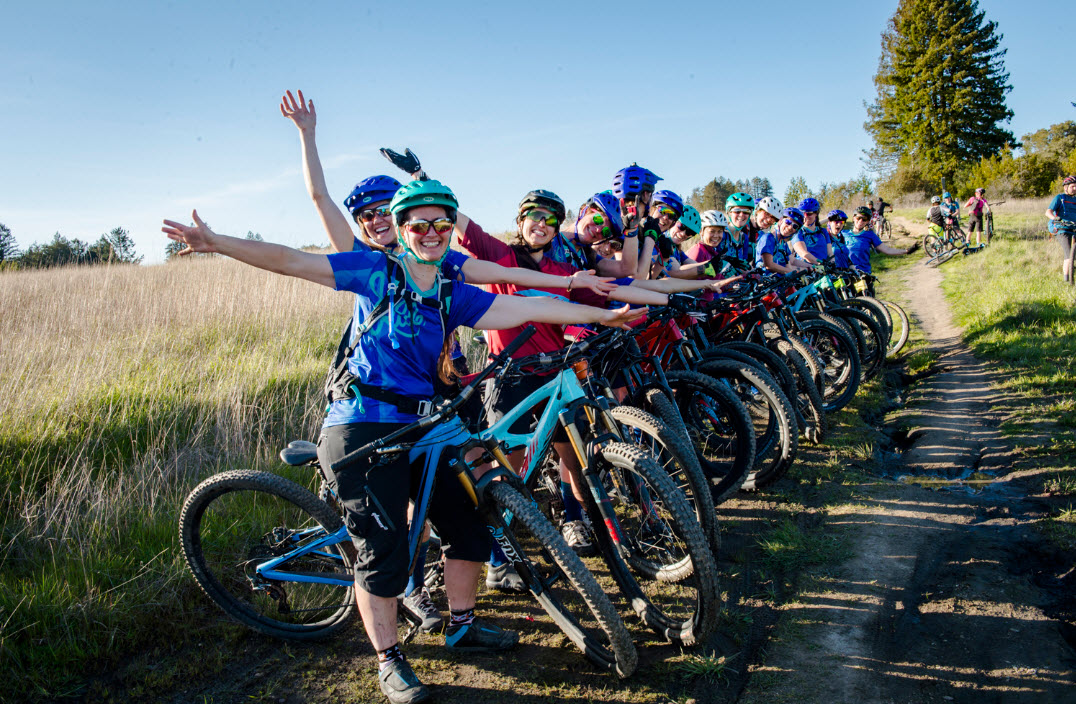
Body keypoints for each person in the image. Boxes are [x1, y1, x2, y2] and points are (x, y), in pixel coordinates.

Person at [162, 179, 646, 704]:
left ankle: (462, 626)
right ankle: (389, 660)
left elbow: (525, 307)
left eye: (442, 224)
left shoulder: (449, 291)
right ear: (402, 230)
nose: (433, 233)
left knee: (468, 523)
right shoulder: (373, 273)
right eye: (420, 224)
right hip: (364, 423)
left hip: (429, 423)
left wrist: (601, 315)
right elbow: (289, 259)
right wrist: (220, 242)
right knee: (383, 551)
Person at [846, 206, 917, 273]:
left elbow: (887, 250)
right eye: (858, 218)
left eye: (864, 219)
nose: (861, 221)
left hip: (863, 274)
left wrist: (907, 251)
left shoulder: (870, 235)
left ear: (867, 221)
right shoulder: (842, 234)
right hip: (846, 274)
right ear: (853, 218)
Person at [756, 208, 811, 275]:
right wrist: (793, 272)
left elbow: (791, 262)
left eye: (795, 226)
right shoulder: (768, 238)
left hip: (780, 282)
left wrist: (811, 267)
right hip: (766, 281)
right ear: (780, 221)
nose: (790, 227)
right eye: (788, 222)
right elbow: (769, 265)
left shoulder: (783, 244)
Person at [1046, 175, 1076, 280]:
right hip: (1062, 228)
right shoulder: (1060, 198)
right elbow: (1048, 212)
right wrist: (1055, 218)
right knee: (1069, 254)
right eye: (1073, 186)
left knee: (1071, 255)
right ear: (1066, 187)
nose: (1075, 189)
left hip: (1074, 227)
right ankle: (1067, 280)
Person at [790, 198, 832, 264]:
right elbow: (803, 254)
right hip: (806, 269)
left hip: (824, 269)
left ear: (816, 214)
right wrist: (820, 263)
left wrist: (832, 263)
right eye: (803, 213)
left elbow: (830, 253)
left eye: (809, 214)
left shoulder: (823, 232)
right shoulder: (797, 232)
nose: (805, 217)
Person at [723, 192, 756, 264]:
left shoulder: (744, 238)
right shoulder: (721, 235)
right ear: (729, 213)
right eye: (737, 211)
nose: (741, 215)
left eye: (746, 212)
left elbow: (743, 266)